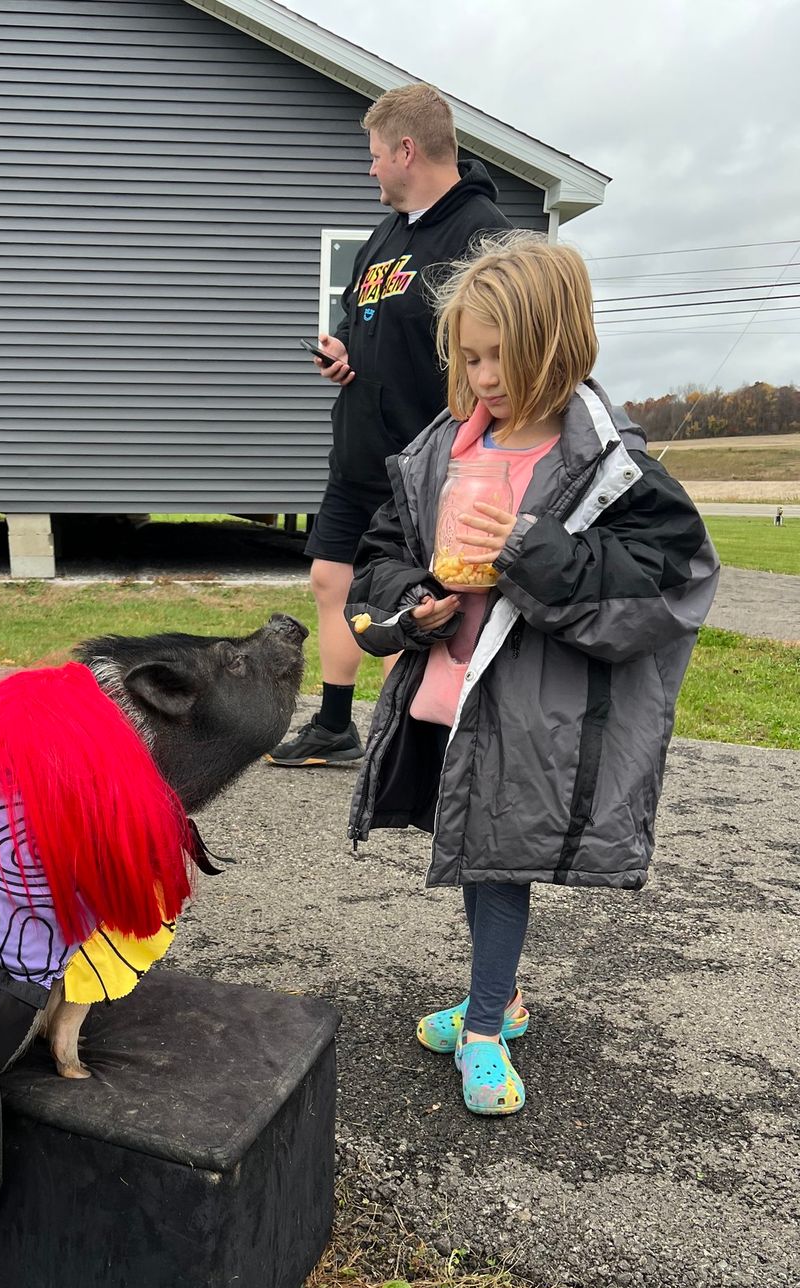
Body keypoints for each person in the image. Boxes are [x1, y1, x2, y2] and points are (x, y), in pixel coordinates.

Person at [344, 234, 719, 1116]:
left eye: (503, 357)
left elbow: (665, 574)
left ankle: (484, 1028)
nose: (484, 376)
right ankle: (501, 999)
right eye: (470, 357)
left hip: (533, 709)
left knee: (497, 862)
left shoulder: (607, 466)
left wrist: (530, 551)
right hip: (448, 692)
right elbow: (385, 553)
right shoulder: (441, 449)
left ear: (559, 343)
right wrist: (413, 602)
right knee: (474, 854)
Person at [267, 83, 508, 767]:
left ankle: (427, 736)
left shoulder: (480, 235)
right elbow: (361, 318)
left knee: (423, 603)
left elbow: (500, 350)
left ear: (407, 149)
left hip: (426, 466)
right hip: (359, 455)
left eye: (375, 155)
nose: (369, 168)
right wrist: (343, 351)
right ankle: (337, 725)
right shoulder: (387, 235)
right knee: (330, 579)